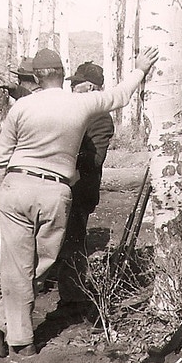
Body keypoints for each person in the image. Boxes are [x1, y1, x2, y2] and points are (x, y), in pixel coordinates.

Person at [0, 47, 158, 360]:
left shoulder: (22, 106)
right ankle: (17, 338)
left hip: (15, 185)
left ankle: (8, 332)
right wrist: (140, 69)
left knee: (17, 266)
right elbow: (121, 95)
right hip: (54, 190)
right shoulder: (81, 103)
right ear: (63, 74)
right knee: (45, 263)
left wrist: (0, 192)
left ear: (35, 78)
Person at [47, 62, 115, 321]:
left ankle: (72, 298)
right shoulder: (70, 110)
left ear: (95, 88)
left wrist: (62, 152)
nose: (73, 87)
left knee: (73, 242)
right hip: (57, 185)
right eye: (72, 82)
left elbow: (93, 160)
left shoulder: (100, 118)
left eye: (79, 83)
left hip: (78, 188)